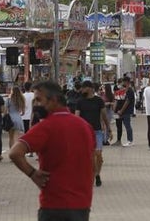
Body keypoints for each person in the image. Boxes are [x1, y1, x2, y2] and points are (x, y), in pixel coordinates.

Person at [10, 80, 95, 221]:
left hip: (54, 204)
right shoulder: (85, 126)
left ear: (54, 100)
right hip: (82, 203)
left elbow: (15, 153)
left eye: (39, 100)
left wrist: (32, 174)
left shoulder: (46, 127)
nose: (36, 105)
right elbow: (92, 160)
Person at [70, 79, 112, 188]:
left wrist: (109, 129)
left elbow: (104, 116)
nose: (82, 90)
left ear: (90, 88)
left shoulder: (98, 101)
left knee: (98, 155)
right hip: (84, 133)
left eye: (84, 88)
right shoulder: (80, 101)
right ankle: (91, 175)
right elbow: (76, 117)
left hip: (97, 131)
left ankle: (97, 174)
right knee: (90, 156)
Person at [114, 79, 135, 147]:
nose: (122, 83)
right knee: (122, 125)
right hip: (122, 111)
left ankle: (130, 140)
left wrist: (121, 110)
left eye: (124, 82)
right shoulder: (124, 91)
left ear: (127, 82)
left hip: (126, 111)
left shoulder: (129, 91)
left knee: (127, 125)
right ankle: (123, 140)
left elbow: (127, 102)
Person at [6, 84, 27, 149]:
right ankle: (16, 150)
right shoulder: (21, 99)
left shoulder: (9, 99)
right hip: (18, 118)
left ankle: (11, 151)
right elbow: (23, 112)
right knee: (17, 137)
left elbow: (6, 110)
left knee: (11, 137)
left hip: (10, 118)